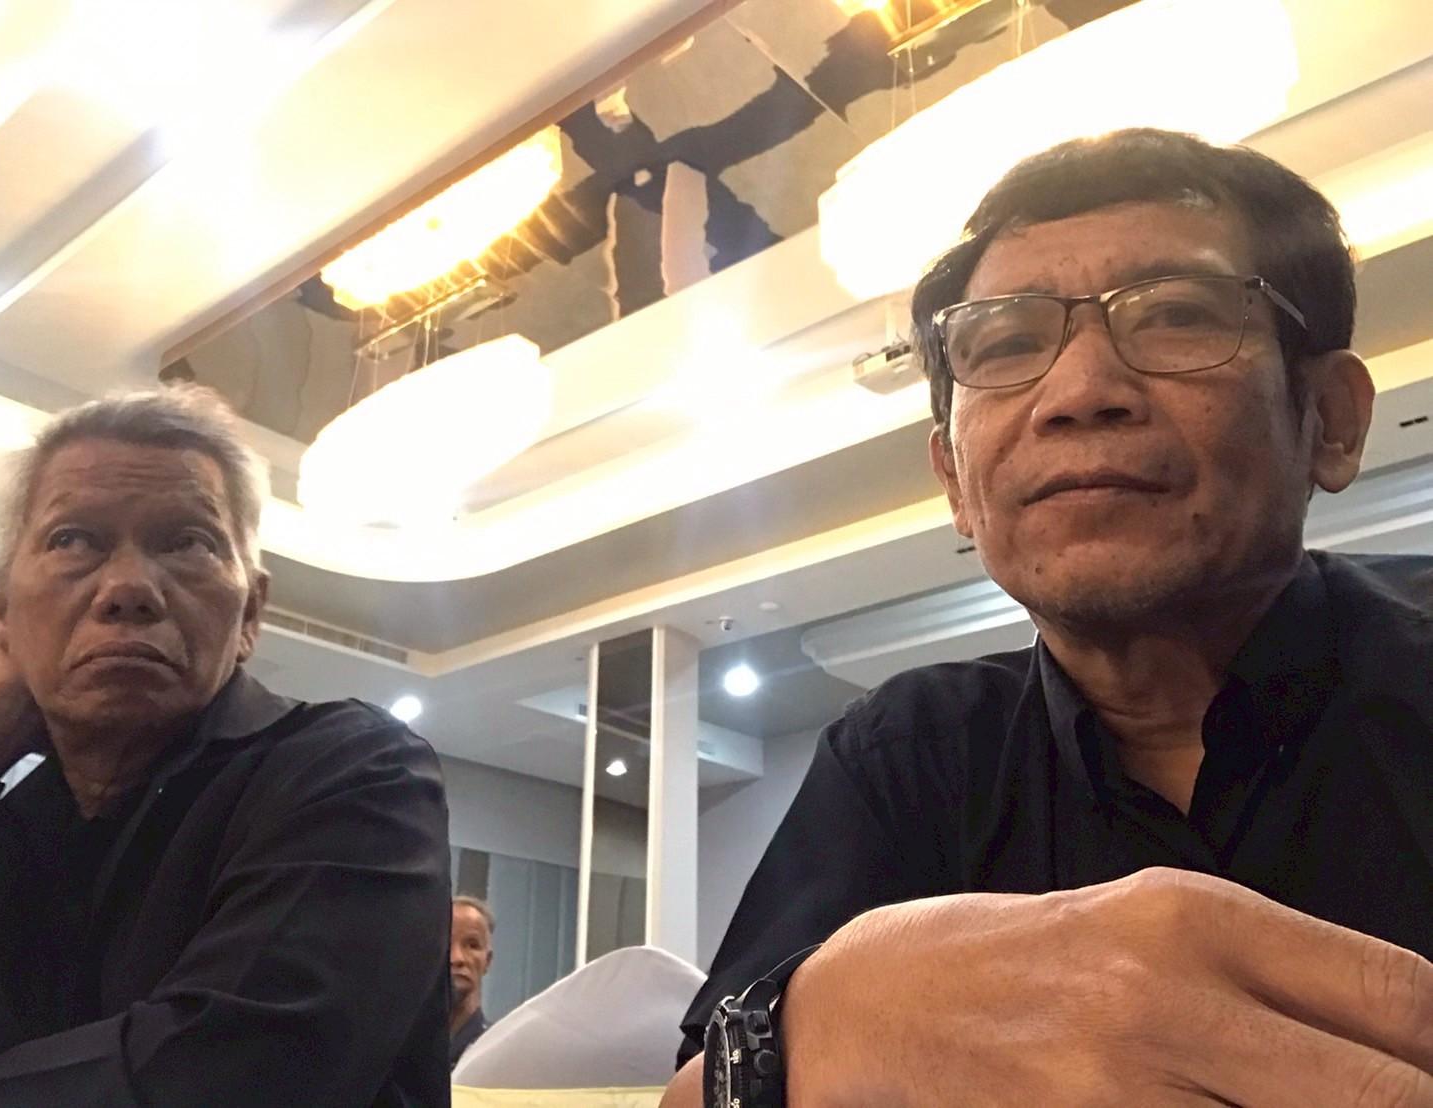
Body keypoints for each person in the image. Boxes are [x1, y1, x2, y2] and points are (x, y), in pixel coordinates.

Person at [663, 129, 1433, 1107]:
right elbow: (692, 1092)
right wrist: (833, 1018)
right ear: (954, 478)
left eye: (1176, 316)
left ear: (1332, 419)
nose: (1079, 393)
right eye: (1007, 344)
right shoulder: (907, 751)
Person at [0, 388, 452, 1106]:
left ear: (250, 612)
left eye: (188, 542)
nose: (128, 588)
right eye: (73, 540)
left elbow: (231, 1075)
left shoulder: (357, 776)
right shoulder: (5, 812)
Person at [448, 895, 495, 1073]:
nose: (457, 958)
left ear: (487, 961)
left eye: (472, 945)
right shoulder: (398, 1051)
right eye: (445, 943)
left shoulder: (500, 1050)